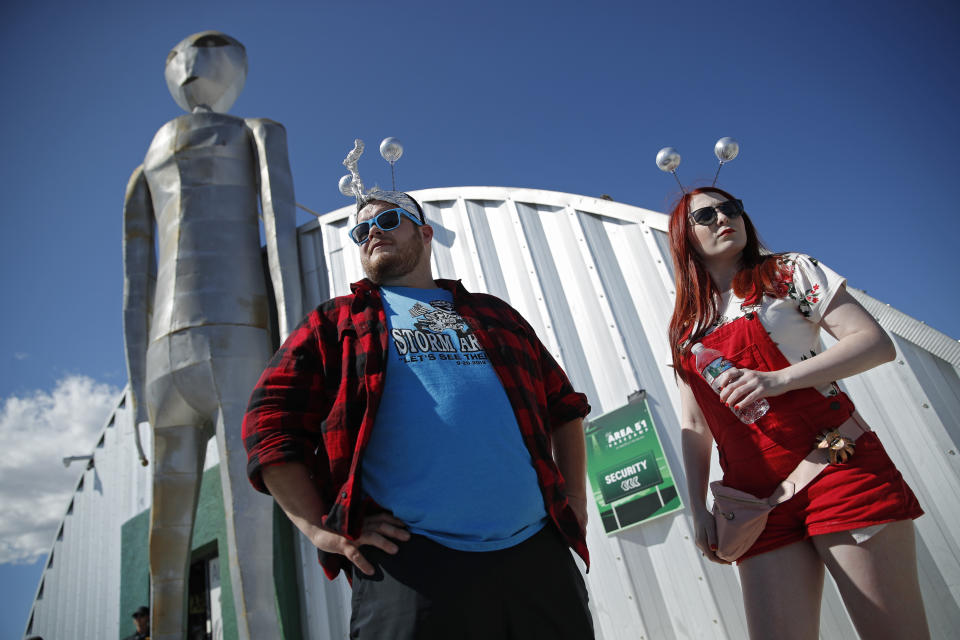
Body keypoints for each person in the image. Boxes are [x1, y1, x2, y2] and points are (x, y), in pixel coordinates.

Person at [242, 190, 595, 639]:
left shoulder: (494, 316)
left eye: (388, 220)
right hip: (411, 566)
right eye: (361, 230)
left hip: (536, 557)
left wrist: (576, 501)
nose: (372, 232)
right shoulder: (336, 323)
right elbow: (267, 424)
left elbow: (564, 406)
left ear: (425, 233)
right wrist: (320, 530)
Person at [668, 186, 928, 639]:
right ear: (683, 238)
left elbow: (873, 343)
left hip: (839, 469)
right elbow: (695, 424)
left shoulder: (787, 273)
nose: (722, 218)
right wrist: (698, 509)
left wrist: (777, 380)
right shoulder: (686, 330)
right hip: (755, 505)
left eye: (731, 208)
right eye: (705, 216)